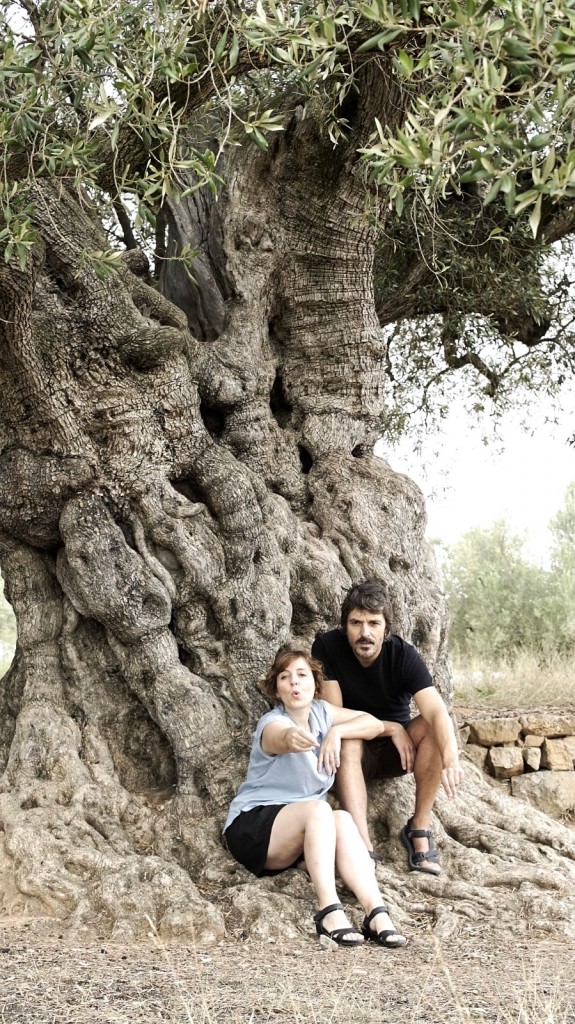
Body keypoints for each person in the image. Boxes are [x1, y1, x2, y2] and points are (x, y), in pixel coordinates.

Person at [223, 646, 407, 949]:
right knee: (320, 810)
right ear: (277, 689)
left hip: (300, 834)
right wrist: (291, 738)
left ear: (314, 683)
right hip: (254, 828)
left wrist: (337, 733)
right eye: (285, 677)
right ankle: (328, 910)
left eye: (301, 675)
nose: (294, 683)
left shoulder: (323, 713)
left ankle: (376, 912)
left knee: (342, 819)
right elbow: (280, 738)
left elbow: (373, 724)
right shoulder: (272, 723)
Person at [311, 579, 463, 876]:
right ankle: (362, 846)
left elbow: (437, 710)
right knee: (350, 739)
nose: (364, 632)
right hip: (352, 750)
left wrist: (452, 758)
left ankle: (419, 826)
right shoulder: (328, 647)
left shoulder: (403, 655)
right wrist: (390, 726)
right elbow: (336, 715)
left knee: (431, 728)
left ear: (386, 628)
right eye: (355, 623)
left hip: (400, 752)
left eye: (373, 623)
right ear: (345, 626)